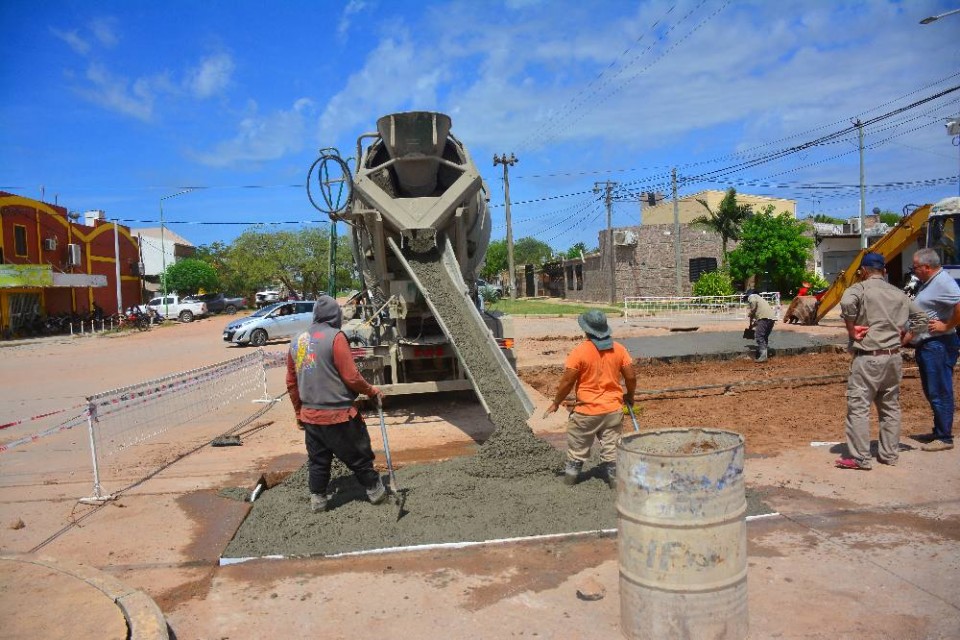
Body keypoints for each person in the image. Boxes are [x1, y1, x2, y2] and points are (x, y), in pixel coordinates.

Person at [286, 295, 387, 512]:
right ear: (335, 315)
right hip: (338, 415)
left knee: (318, 461)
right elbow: (351, 376)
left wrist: (298, 413)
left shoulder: (297, 340)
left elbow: (291, 382)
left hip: (311, 417)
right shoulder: (335, 337)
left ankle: (318, 501)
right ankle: (377, 493)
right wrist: (371, 391)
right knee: (359, 456)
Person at [835, 252, 926, 470]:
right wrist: (908, 337)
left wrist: (851, 329)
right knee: (890, 408)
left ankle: (860, 459)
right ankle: (889, 454)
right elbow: (922, 318)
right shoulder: (897, 293)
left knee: (858, 408)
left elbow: (847, 303)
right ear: (884, 271)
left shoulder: (860, 289)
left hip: (868, 358)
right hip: (893, 358)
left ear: (863, 271)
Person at [544, 309, 636, 488]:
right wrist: (630, 396)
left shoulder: (579, 352)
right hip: (612, 411)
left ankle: (570, 480)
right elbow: (631, 377)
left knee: (577, 448)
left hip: (586, 412)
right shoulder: (619, 349)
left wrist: (556, 402)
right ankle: (614, 483)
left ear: (586, 330)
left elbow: (567, 381)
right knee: (611, 449)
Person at [905, 248, 960, 452]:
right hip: (929, 345)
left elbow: (959, 304)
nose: (914, 271)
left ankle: (944, 437)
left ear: (927, 267)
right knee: (932, 390)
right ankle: (939, 431)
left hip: (939, 344)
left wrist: (946, 326)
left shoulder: (943, 282)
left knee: (940, 390)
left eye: (916, 267)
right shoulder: (930, 283)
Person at [745, 289, 776, 362]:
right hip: (771, 318)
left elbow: (753, 303)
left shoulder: (752, 296)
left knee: (759, 336)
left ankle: (763, 356)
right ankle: (765, 353)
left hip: (764, 318)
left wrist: (751, 312)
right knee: (764, 336)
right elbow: (759, 320)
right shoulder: (760, 299)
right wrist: (752, 325)